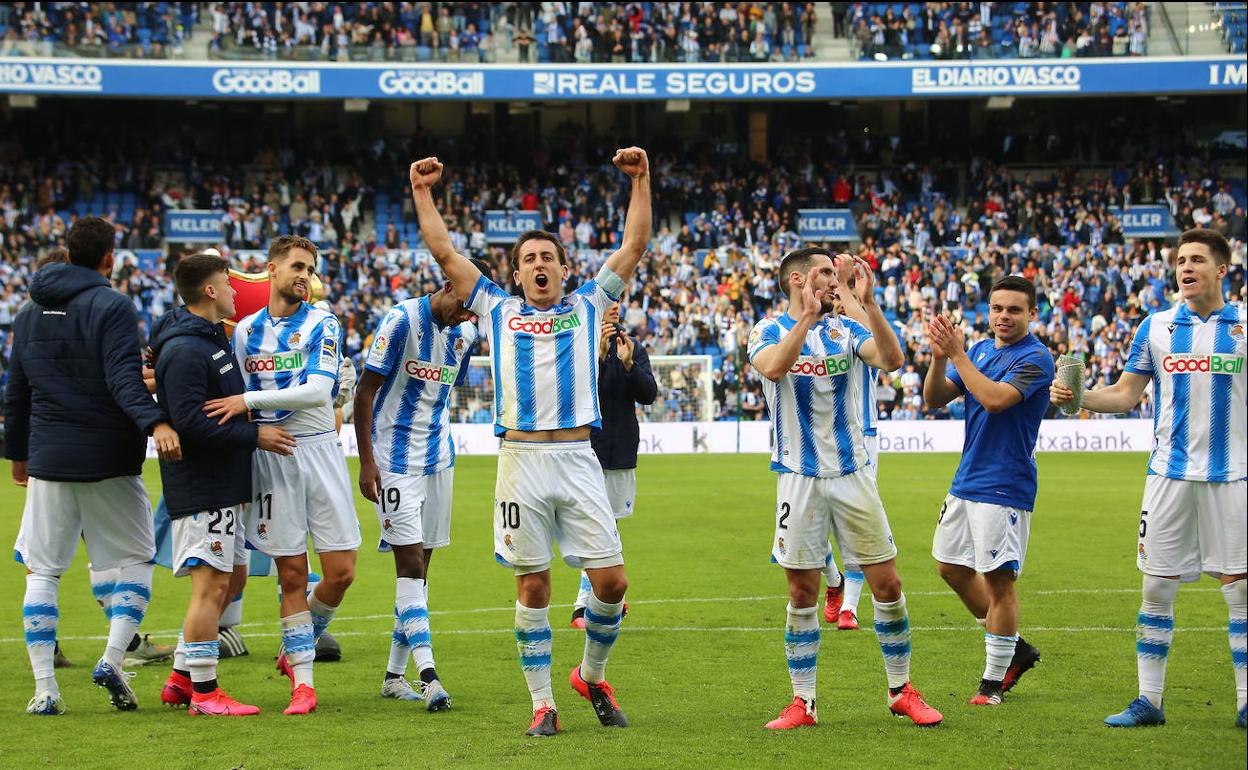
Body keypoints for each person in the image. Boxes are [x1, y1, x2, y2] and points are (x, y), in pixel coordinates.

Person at [409, 147, 651, 737]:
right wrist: (422, 192)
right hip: (520, 461)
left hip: (576, 458)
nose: (540, 265)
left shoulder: (590, 305)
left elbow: (635, 245)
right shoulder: (495, 307)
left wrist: (641, 180)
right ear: (515, 274)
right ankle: (543, 703)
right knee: (534, 584)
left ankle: (591, 675)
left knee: (612, 582)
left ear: (565, 270)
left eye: (549, 257)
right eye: (529, 260)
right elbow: (444, 251)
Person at [1051, 228, 1246, 729]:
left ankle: (1246, 702)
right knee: (1156, 588)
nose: (1187, 267)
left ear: (1222, 269)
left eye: (1198, 260)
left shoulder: (1245, 324)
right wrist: (1075, 398)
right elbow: (1124, 396)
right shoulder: (1156, 326)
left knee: (1240, 592)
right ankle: (1149, 701)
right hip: (1168, 477)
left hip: (1235, 476)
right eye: (1181, 260)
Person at [747, 247, 943, 729]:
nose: (836, 280)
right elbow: (773, 368)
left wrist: (869, 305)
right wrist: (805, 321)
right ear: (797, 280)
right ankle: (803, 702)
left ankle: (901, 690)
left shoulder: (848, 329)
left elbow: (893, 359)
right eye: (826, 273)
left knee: (888, 583)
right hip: (798, 477)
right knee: (802, 590)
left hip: (853, 473)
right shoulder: (767, 330)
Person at [6, 216, 181, 715]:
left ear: (66, 250)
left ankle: (44, 690)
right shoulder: (113, 306)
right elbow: (124, 380)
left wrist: (19, 453)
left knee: (43, 570)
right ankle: (111, 657)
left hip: (48, 458)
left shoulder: (27, 313)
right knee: (136, 560)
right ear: (110, 258)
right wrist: (156, 423)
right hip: (107, 457)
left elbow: (16, 392)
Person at [203, 235, 361, 716]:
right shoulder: (245, 332)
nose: (303, 275)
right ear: (271, 270)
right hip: (271, 459)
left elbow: (317, 392)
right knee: (291, 574)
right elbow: (230, 390)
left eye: (309, 268)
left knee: (341, 573)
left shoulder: (323, 323)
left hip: (319, 452)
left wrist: (249, 404)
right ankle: (304, 683)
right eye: (295, 266)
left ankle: (298, 645)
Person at [151, 252, 297, 716]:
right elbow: (191, 423)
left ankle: (180, 678)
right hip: (202, 486)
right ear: (210, 291)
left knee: (231, 578)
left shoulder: (210, 339)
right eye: (228, 285)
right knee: (210, 587)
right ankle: (206, 693)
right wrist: (255, 434)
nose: (237, 291)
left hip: (225, 483)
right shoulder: (185, 350)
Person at [353, 260, 492, 711]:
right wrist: (367, 462)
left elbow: (444, 392)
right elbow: (365, 391)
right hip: (393, 461)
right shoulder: (400, 320)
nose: (468, 319)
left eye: (475, 313)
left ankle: (394, 676)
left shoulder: (466, 333)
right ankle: (429, 677)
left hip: (439, 459)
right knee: (409, 566)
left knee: (421, 570)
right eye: (466, 307)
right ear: (449, 284)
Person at [922, 276, 1053, 706]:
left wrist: (958, 353)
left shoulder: (1035, 358)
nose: (1003, 316)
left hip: (1005, 485)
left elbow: (996, 399)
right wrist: (941, 358)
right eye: (997, 308)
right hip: (967, 479)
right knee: (950, 567)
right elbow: (935, 398)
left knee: (999, 583)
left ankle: (993, 682)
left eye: (1014, 309)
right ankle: (1013, 646)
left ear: (1032, 314)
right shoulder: (978, 350)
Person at [569, 300, 657, 629]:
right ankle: (583, 605)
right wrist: (596, 357)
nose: (614, 309)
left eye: (617, 304)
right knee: (591, 528)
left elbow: (648, 394)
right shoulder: (580, 347)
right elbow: (577, 393)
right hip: (584, 451)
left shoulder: (633, 348)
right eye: (607, 303)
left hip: (621, 451)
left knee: (611, 529)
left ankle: (605, 598)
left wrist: (630, 364)